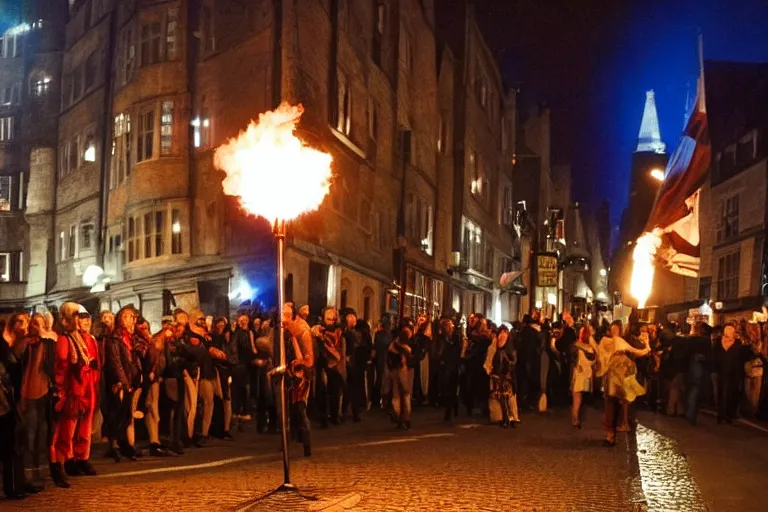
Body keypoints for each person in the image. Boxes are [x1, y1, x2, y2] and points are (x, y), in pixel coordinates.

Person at [50, 304, 100, 483]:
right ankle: (64, 463)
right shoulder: (66, 339)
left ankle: (80, 458)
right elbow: (62, 366)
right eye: (78, 316)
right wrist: (61, 389)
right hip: (72, 389)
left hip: (86, 386)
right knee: (65, 429)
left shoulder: (85, 339)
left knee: (84, 426)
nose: (81, 321)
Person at [1, 312, 37, 498]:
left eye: (27, 322)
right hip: (6, 401)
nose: (25, 325)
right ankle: (11, 487)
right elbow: (8, 372)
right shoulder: (5, 344)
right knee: (9, 446)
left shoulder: (21, 343)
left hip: (13, 398)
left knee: (16, 444)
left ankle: (18, 484)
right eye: (21, 322)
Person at [20, 313, 56, 487]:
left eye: (39, 324)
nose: (36, 326)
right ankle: (27, 472)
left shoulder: (48, 343)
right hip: (27, 391)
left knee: (43, 431)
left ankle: (40, 469)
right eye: (33, 323)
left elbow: (51, 364)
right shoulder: (26, 344)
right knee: (30, 432)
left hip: (43, 390)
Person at [600, 320, 650, 446]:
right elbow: (599, 354)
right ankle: (610, 434)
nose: (615, 331)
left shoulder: (619, 342)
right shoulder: (608, 341)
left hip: (619, 381)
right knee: (611, 406)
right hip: (612, 379)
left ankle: (612, 433)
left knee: (616, 406)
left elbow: (638, 352)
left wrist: (647, 344)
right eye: (613, 329)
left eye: (617, 329)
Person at [103, 305, 142, 461]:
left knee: (126, 415)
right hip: (120, 381)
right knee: (117, 414)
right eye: (126, 316)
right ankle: (114, 446)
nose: (130, 319)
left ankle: (124, 445)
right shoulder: (115, 337)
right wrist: (123, 382)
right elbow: (115, 361)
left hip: (131, 379)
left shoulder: (132, 337)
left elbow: (135, 359)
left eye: (132, 316)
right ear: (120, 319)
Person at [312, 307, 345, 427]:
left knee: (335, 392)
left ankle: (334, 415)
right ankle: (323, 417)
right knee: (322, 392)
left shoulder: (339, 333)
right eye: (328, 318)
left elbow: (341, 349)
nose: (331, 320)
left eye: (333, 318)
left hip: (335, 366)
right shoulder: (319, 331)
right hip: (322, 364)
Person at [713, 323, 749, 424]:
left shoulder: (738, 343)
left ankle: (729, 415)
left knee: (732, 394)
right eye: (728, 330)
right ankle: (721, 414)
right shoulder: (719, 342)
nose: (729, 333)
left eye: (731, 331)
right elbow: (715, 356)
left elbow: (742, 357)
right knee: (722, 393)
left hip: (734, 373)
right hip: (722, 372)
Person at [484, 325, 519, 428]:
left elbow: (512, 362)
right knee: (499, 397)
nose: (501, 338)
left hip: (507, 377)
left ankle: (510, 417)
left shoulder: (510, 348)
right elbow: (489, 362)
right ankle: (503, 417)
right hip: (497, 377)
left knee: (508, 397)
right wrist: (491, 371)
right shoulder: (494, 347)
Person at [209, 316, 236, 439]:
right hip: (216, 369)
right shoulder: (213, 337)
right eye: (218, 323)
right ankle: (219, 427)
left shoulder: (229, 337)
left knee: (226, 397)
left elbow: (232, 354)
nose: (220, 325)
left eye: (222, 323)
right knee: (219, 398)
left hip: (225, 369)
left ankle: (226, 428)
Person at [388, 318, 415, 429]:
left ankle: (399, 416)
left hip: (398, 369)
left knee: (399, 394)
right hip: (404, 369)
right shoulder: (409, 343)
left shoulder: (395, 342)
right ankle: (404, 418)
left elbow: (390, 354)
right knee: (405, 394)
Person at [570, 324, 598, 428]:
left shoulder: (586, 346)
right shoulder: (580, 346)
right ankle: (575, 417)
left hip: (583, 373)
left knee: (577, 395)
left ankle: (575, 416)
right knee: (577, 395)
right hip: (580, 372)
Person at [437, 316, 462, 423]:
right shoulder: (441, 338)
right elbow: (439, 351)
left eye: (449, 325)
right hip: (445, 366)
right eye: (446, 326)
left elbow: (458, 351)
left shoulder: (456, 338)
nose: (448, 328)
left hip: (454, 365)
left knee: (452, 388)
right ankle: (450, 408)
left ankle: (451, 409)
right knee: (446, 389)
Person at [231, 314, 254, 422]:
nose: (244, 322)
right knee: (243, 389)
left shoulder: (244, 333)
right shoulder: (242, 334)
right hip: (241, 365)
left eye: (245, 319)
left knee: (239, 389)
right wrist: (253, 358)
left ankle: (238, 411)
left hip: (241, 365)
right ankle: (243, 412)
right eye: (242, 320)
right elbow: (245, 349)